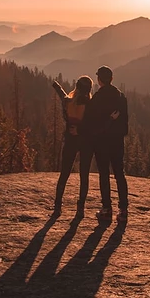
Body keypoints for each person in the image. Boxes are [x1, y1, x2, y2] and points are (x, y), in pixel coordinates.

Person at [83, 65, 129, 223]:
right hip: (117, 141)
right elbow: (125, 123)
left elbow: (90, 120)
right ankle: (123, 210)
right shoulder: (121, 97)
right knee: (119, 174)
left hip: (102, 142)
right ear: (111, 79)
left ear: (99, 80)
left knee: (104, 174)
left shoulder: (98, 97)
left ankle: (106, 209)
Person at [51, 76, 94, 218]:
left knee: (64, 173)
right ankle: (80, 207)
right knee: (84, 175)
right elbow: (92, 123)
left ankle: (57, 205)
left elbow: (62, 95)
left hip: (70, 140)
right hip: (86, 141)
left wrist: (57, 86)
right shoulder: (90, 104)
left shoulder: (68, 102)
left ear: (77, 87)